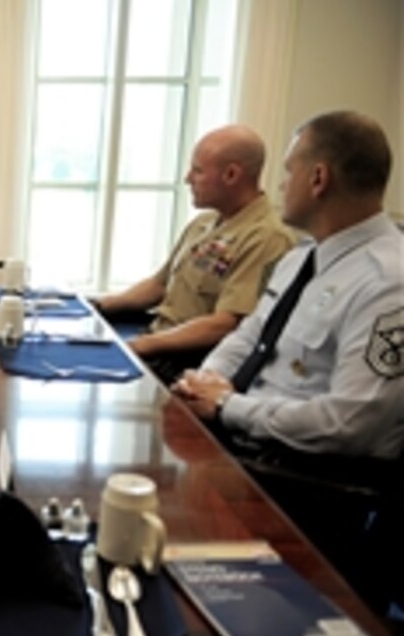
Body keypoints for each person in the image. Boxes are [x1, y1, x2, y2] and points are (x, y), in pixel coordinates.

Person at [173, 110, 403, 459]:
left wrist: (227, 405)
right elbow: (251, 335)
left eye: (287, 171)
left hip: (306, 478)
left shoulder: (386, 283)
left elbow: (350, 423)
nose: (280, 185)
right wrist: (203, 381)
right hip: (245, 439)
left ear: (318, 179)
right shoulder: (302, 256)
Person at [94, 125, 294, 383]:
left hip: (186, 362)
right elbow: (158, 285)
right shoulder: (204, 223)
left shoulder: (266, 238)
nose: (188, 178)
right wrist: (99, 305)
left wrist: (142, 346)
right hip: (155, 338)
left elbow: (228, 324)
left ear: (231, 174)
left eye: (198, 170)